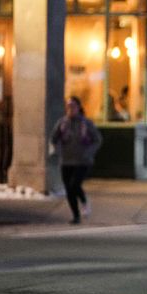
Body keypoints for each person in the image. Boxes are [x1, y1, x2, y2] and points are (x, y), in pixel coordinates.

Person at [51, 96, 102, 224]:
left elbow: (97, 139)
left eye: (73, 106)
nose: (70, 109)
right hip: (66, 161)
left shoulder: (86, 123)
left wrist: (89, 152)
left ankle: (84, 201)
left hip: (83, 161)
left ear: (79, 107)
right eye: (68, 106)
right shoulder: (62, 123)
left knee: (75, 184)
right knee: (69, 189)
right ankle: (76, 215)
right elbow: (53, 138)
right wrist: (58, 151)